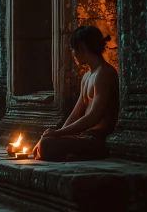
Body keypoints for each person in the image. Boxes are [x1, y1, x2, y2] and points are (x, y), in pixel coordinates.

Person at [33, 26, 119, 161]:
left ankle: (79, 155)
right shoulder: (86, 77)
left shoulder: (105, 74)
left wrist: (57, 133)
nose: (72, 54)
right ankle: (73, 155)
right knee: (46, 141)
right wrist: (56, 135)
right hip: (83, 136)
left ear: (82, 47)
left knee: (46, 144)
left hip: (97, 138)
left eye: (73, 49)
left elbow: (94, 117)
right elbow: (76, 112)